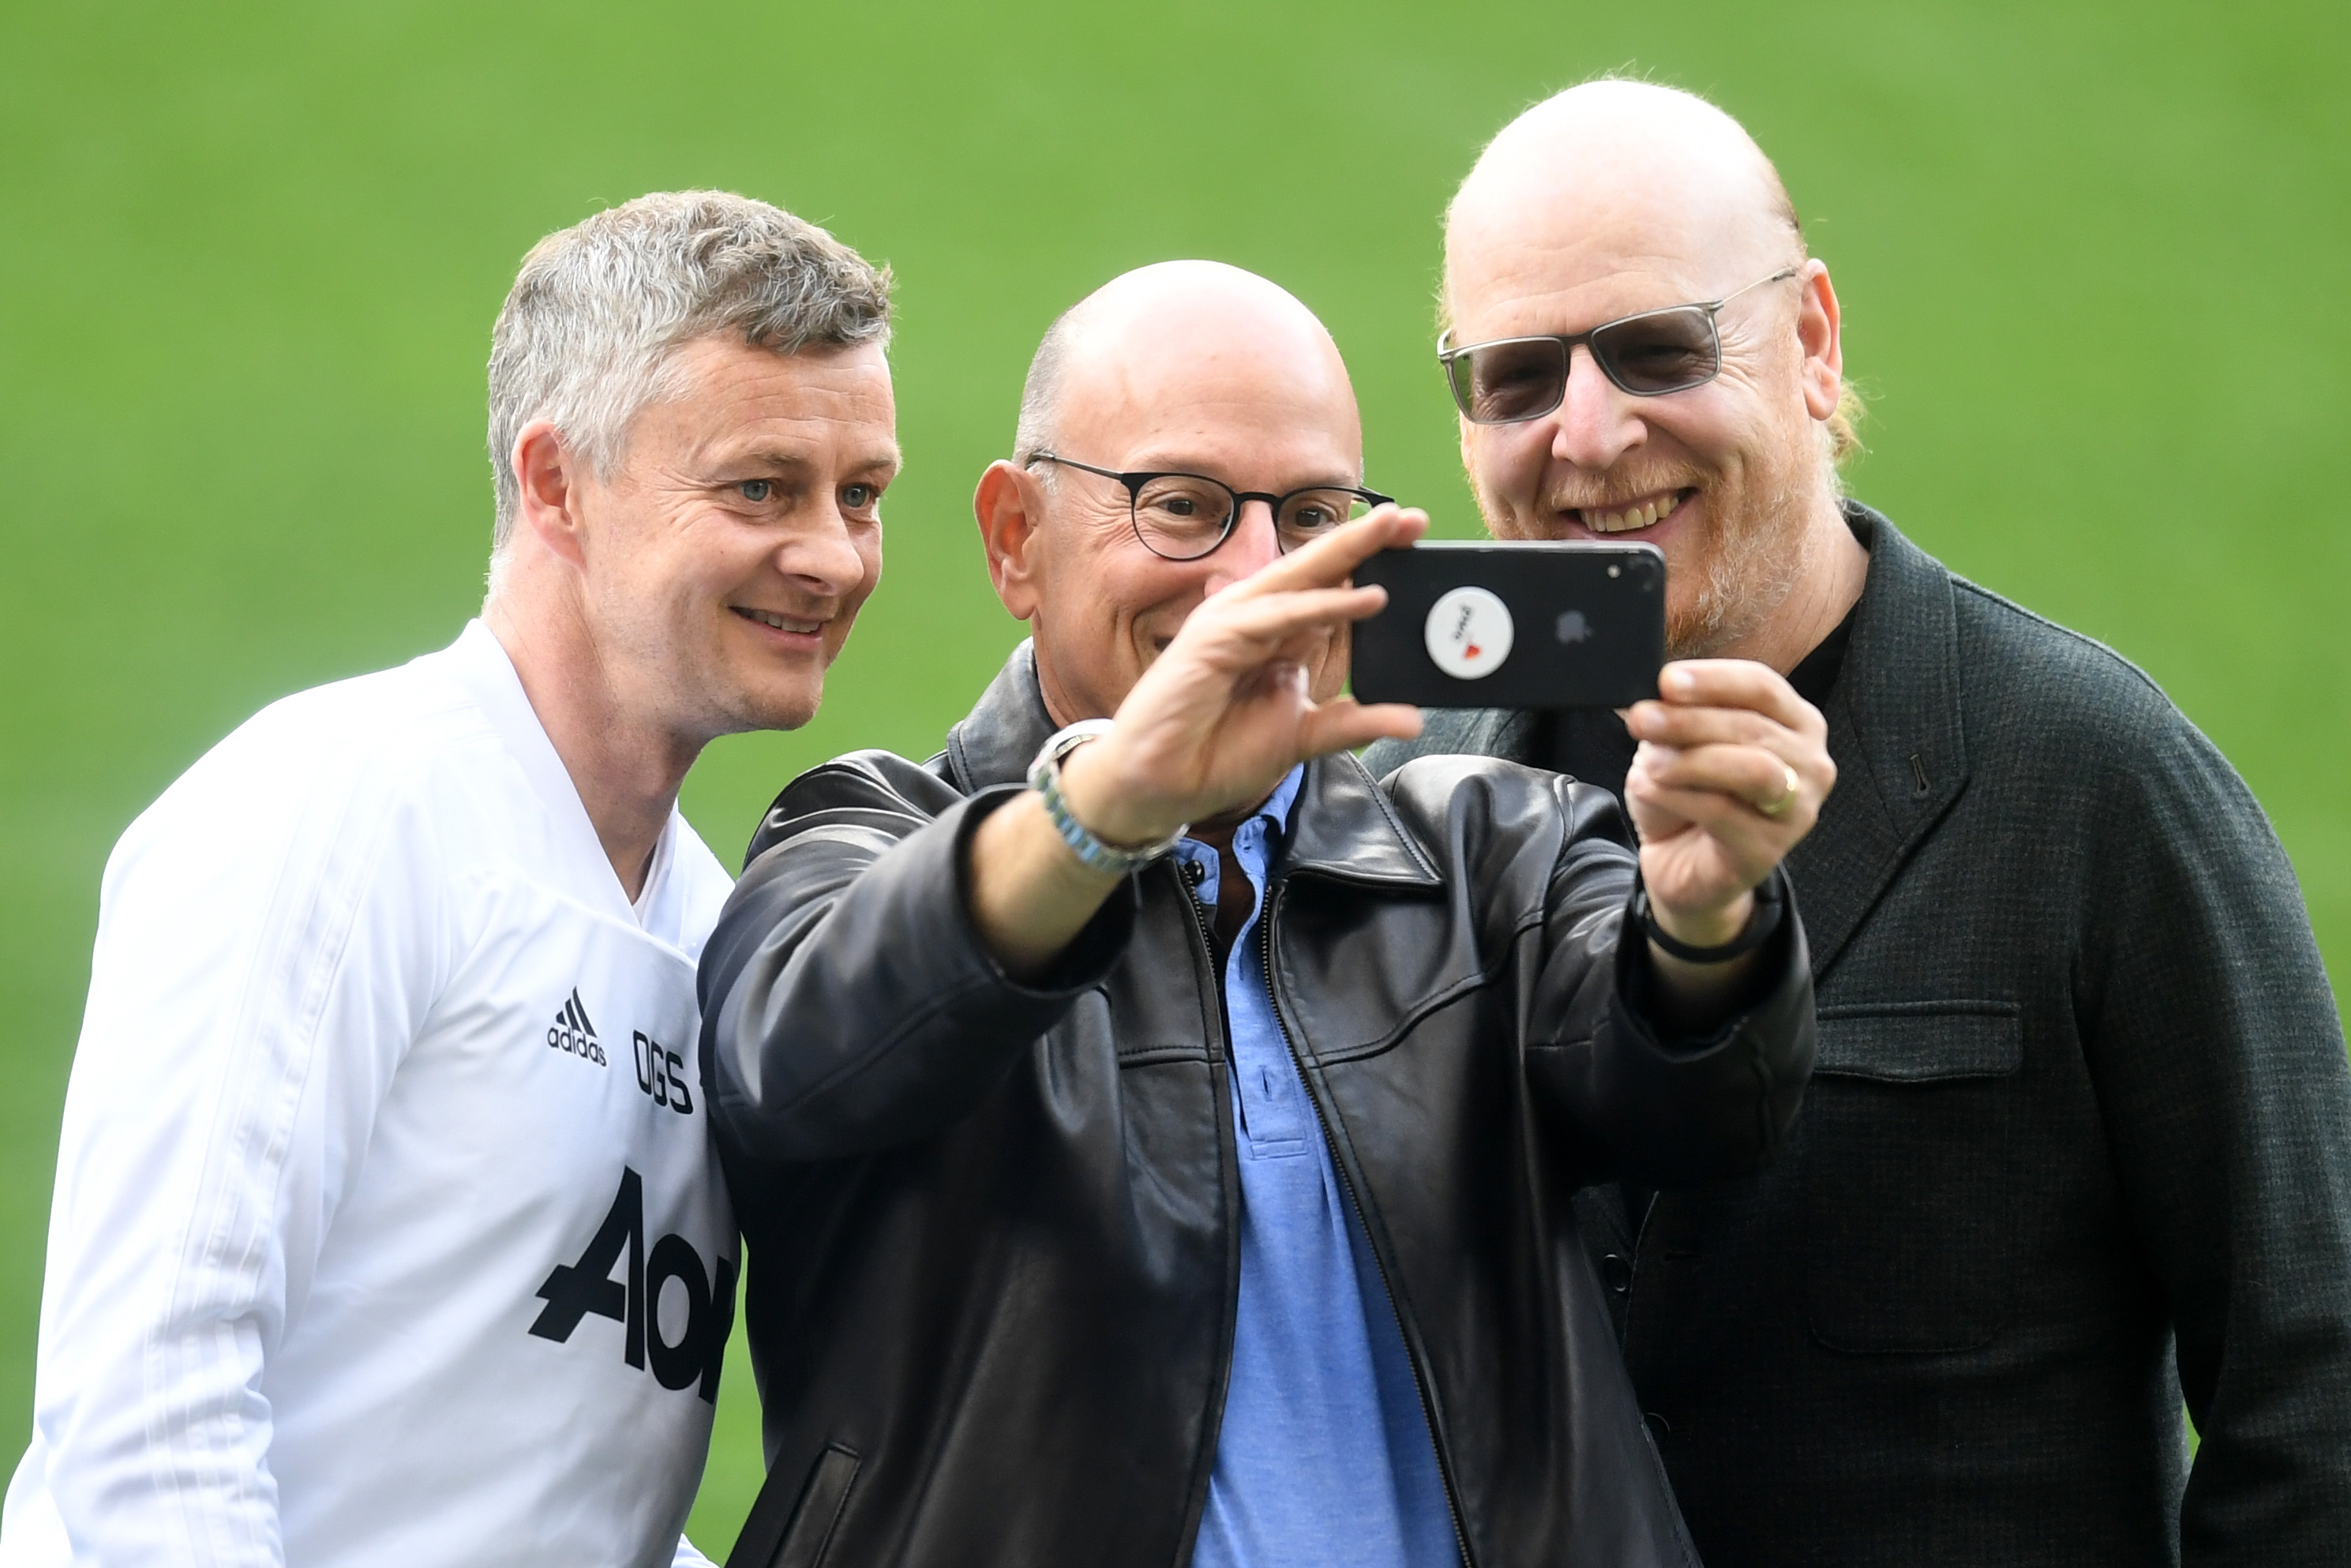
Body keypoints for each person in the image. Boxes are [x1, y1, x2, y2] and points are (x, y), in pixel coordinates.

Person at [698, 260, 1828, 1568]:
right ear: (1017, 540)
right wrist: (1116, 804)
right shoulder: (864, 834)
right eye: (1180, 507)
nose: (1249, 577)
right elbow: (800, 1051)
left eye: (1307, 517)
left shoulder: (1491, 854)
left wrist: (1703, 916)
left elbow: (1704, 1109)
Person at [1367, 79, 2351, 1566]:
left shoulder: (2094, 780)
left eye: (1656, 348)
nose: (1585, 431)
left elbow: (2315, 1382)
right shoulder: (1404, 799)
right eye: (1513, 376)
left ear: (1811, 345)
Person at [0, 190, 898, 1567]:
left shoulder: (716, 927)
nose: (833, 555)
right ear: (556, 486)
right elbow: (149, 1400)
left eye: (861, 494)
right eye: (759, 487)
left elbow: (549, 1489)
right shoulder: (340, 805)